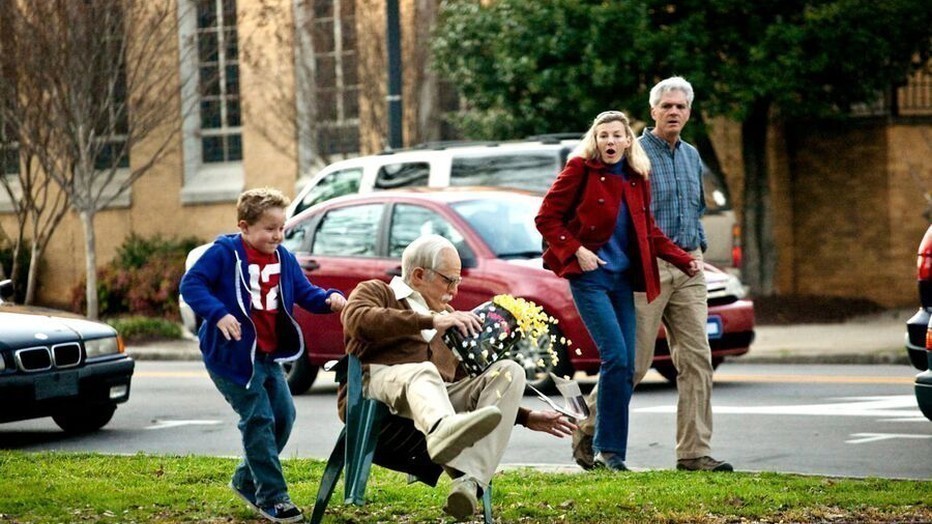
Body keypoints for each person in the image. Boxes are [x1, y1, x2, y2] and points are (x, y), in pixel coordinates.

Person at [340, 234, 575, 521]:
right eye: (448, 280)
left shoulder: (449, 318)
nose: (454, 290)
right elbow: (357, 320)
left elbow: (466, 382)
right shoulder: (378, 291)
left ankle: (469, 481)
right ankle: (442, 430)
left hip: (435, 399)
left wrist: (524, 416)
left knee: (510, 371)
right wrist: (430, 321)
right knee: (423, 371)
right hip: (376, 391)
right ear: (418, 275)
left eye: (458, 282)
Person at [571, 76, 735, 473]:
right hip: (646, 267)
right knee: (634, 362)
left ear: (689, 112)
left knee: (697, 359)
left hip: (687, 263)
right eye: (667, 106)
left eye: (681, 106)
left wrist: (695, 250)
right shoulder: (634, 154)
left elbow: (694, 208)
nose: (674, 112)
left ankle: (694, 453)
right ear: (653, 111)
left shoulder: (693, 156)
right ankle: (589, 429)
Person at [535, 111, 700, 472]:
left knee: (625, 369)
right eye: (603, 136)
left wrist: (683, 259)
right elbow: (546, 217)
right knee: (617, 357)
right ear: (595, 141)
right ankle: (607, 452)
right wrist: (577, 251)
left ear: (628, 141)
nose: (610, 142)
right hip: (590, 278)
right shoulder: (580, 169)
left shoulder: (637, 178)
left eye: (616, 135)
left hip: (623, 280)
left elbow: (649, 231)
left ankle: (608, 451)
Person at [180, 187, 347, 523]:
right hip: (232, 358)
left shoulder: (283, 257)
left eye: (281, 228)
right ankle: (272, 498)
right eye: (270, 229)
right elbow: (191, 284)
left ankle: (245, 480)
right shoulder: (224, 253)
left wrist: (329, 298)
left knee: (284, 418)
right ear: (244, 227)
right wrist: (219, 313)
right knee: (258, 419)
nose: (278, 235)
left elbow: (304, 292)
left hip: (269, 357)